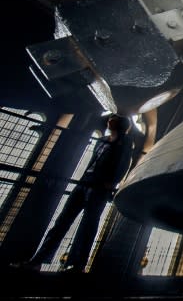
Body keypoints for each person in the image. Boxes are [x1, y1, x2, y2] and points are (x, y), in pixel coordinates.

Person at [13, 113, 135, 273]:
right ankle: (38, 260)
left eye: (114, 119)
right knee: (62, 221)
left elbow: (125, 163)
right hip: (85, 183)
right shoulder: (103, 140)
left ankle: (78, 265)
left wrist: (112, 182)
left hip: (99, 188)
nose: (109, 120)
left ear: (119, 124)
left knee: (87, 226)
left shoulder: (124, 143)